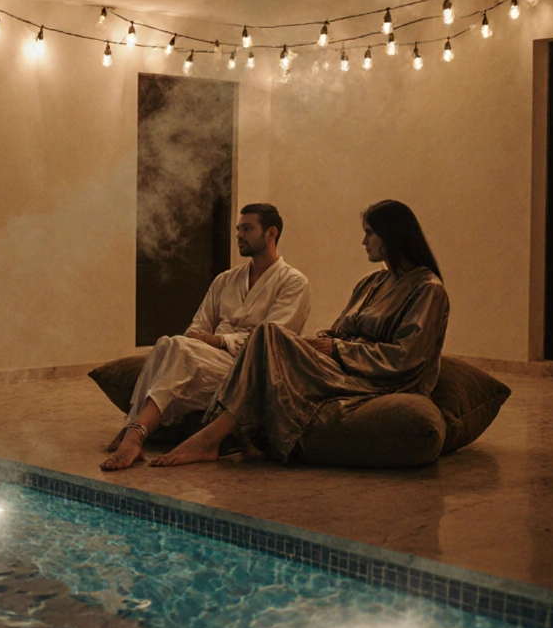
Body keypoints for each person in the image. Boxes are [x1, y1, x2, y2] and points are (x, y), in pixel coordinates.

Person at [149, 199, 449, 467]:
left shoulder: (427, 289)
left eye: (369, 232)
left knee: (267, 335)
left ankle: (210, 439)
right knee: (270, 337)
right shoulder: (372, 283)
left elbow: (407, 356)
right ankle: (214, 434)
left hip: (376, 376)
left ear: (392, 235)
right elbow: (338, 331)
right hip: (341, 362)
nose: (363, 241)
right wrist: (316, 343)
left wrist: (337, 350)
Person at [100, 203, 311, 471]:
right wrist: (204, 342)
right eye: (238, 229)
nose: (239, 235)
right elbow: (197, 328)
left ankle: (134, 433)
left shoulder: (294, 283)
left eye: (247, 229)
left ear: (271, 233)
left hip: (246, 372)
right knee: (168, 343)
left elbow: (272, 342)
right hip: (208, 360)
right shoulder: (226, 280)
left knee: (181, 348)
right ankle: (135, 429)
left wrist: (221, 341)